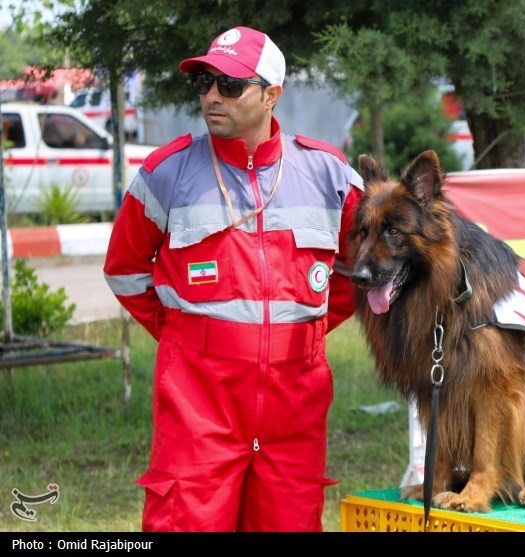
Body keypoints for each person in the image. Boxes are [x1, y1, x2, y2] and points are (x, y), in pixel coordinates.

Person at [103, 26, 364, 532]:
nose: (211, 96)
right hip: (198, 406)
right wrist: (188, 335)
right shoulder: (166, 172)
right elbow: (124, 271)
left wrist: (297, 333)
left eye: (229, 84)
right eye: (203, 82)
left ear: (271, 95)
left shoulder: (331, 175)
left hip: (296, 406)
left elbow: (360, 274)